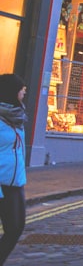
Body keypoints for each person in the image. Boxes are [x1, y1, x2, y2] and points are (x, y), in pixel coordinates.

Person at [0, 75, 27, 265]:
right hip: (1, 183)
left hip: (16, 182)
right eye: (21, 88)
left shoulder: (17, 117)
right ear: (11, 91)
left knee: (16, 227)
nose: (24, 91)